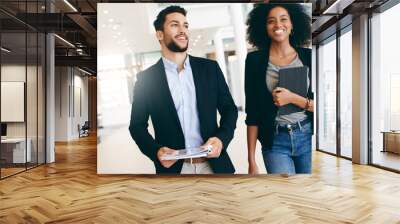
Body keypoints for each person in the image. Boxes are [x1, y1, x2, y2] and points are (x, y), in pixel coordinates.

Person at [129, 6, 238, 174]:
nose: (183, 31)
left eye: (185, 25)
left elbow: (229, 109)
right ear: (159, 34)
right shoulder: (146, 79)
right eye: (175, 25)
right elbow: (136, 126)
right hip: (174, 170)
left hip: (214, 166)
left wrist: (221, 139)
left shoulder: (210, 68)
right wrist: (156, 151)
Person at [245, 4, 314, 174]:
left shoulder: (309, 56)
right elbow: (252, 112)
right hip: (274, 141)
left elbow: (323, 106)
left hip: (307, 137)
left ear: (292, 24)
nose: (278, 25)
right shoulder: (254, 61)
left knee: (309, 195)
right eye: (271, 21)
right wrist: (251, 160)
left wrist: (292, 98)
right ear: (264, 27)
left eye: (283, 19)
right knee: (286, 196)